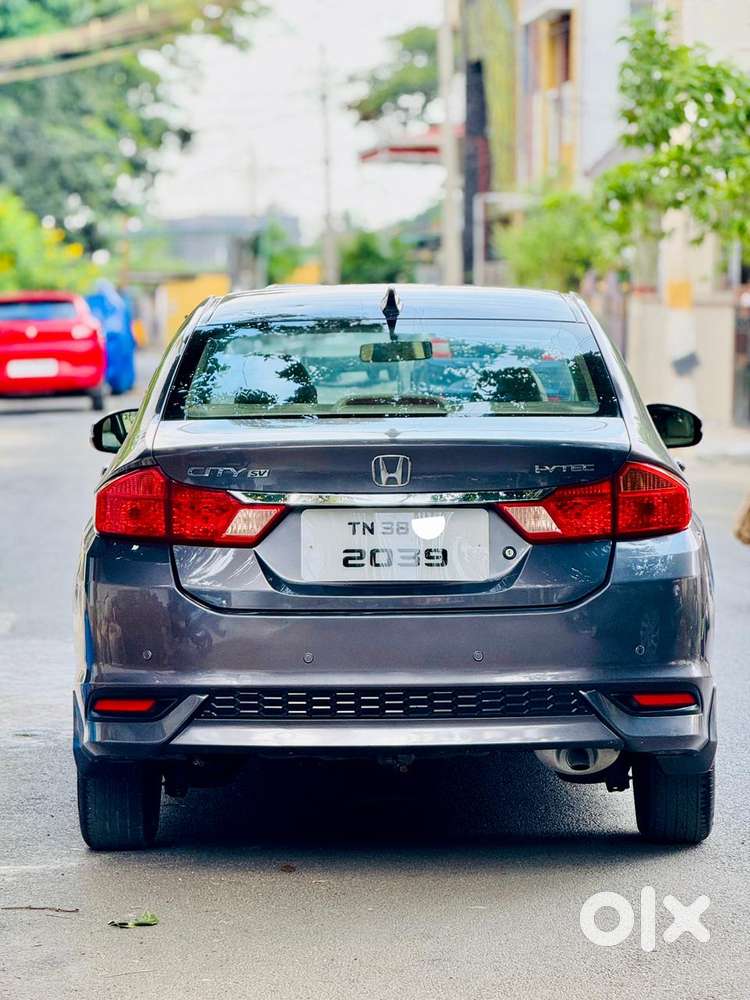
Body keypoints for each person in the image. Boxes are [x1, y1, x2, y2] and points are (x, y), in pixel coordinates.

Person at [86, 279, 136, 395]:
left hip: (111, 340)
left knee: (111, 366)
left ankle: (119, 386)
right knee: (120, 366)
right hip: (121, 340)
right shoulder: (119, 302)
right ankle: (122, 386)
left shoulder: (97, 302)